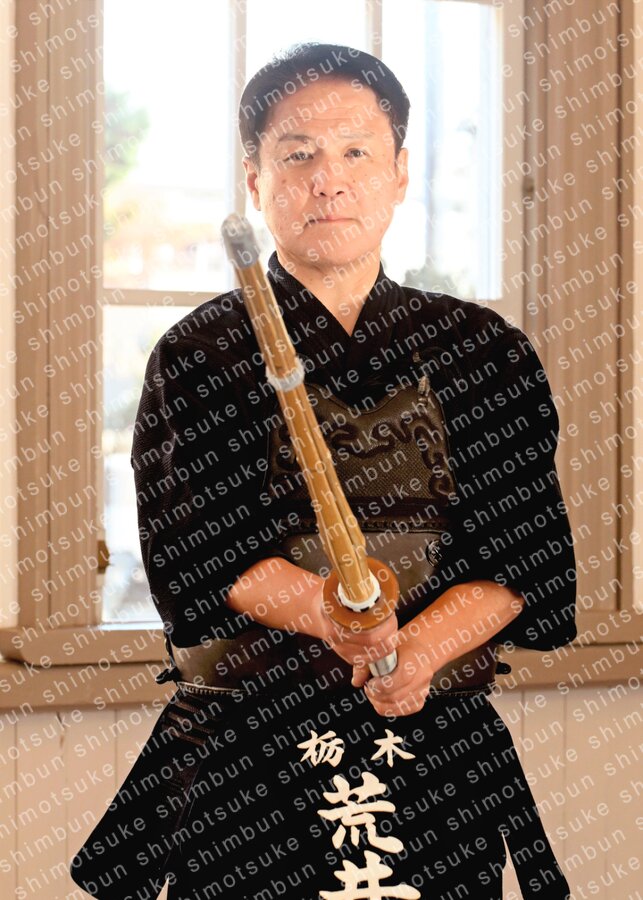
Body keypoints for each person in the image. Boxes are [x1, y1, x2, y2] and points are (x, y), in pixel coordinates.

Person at [71, 43, 577, 900]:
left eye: (355, 152)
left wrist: (415, 651)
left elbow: (521, 557)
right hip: (252, 747)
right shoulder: (202, 353)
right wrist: (338, 617)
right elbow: (199, 556)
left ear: (399, 172)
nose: (327, 181)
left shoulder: (481, 351)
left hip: (433, 741)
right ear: (255, 179)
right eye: (298, 154)